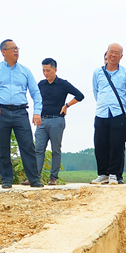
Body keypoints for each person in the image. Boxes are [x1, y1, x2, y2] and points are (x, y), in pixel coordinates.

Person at [0, 39, 44, 189]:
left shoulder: (25, 71)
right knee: (3, 147)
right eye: (13, 48)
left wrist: (37, 112)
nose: (16, 51)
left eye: (17, 48)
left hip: (21, 112)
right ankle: (6, 180)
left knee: (28, 146)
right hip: (1, 112)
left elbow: (35, 93)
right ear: (3, 52)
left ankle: (34, 179)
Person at [32, 58, 84, 186]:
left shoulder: (63, 84)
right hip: (42, 120)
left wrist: (67, 105)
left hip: (57, 120)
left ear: (55, 69)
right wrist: (36, 113)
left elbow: (80, 95)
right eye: (43, 71)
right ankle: (34, 177)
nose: (46, 73)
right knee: (38, 149)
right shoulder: (41, 84)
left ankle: (53, 178)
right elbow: (36, 99)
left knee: (55, 149)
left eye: (48, 70)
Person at [92, 43, 126, 185]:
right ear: (107, 53)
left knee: (117, 145)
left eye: (117, 53)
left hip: (118, 113)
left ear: (121, 56)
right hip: (102, 112)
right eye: (111, 52)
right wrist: (103, 103)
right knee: (100, 144)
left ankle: (114, 174)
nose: (113, 55)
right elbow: (96, 92)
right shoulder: (97, 72)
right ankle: (102, 173)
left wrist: (123, 109)